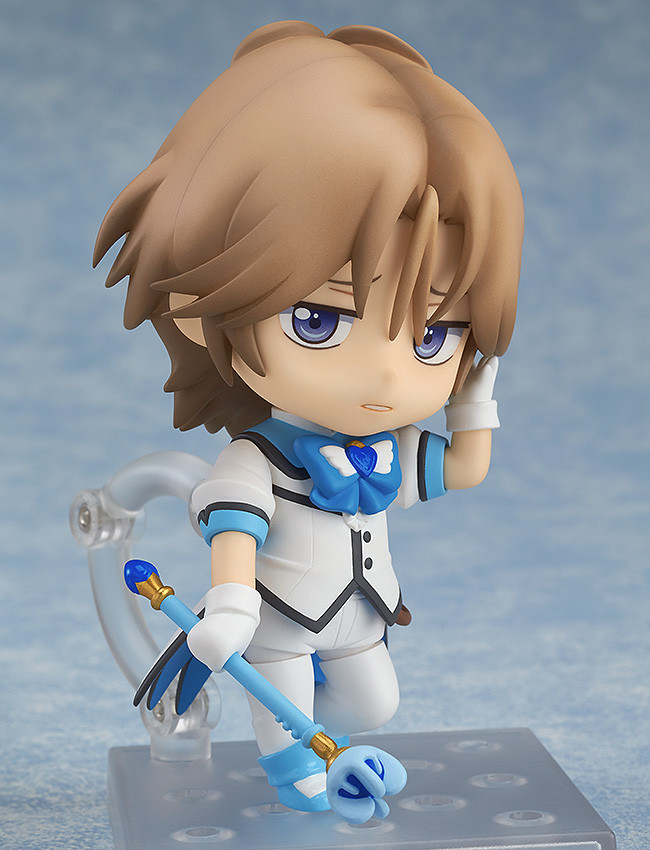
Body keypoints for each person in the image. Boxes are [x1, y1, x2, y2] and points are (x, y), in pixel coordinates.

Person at [94, 21, 524, 812]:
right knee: (300, 765)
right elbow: (235, 532)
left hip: (360, 615)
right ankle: (298, 769)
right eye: (318, 320)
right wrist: (230, 606)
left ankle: (308, 734)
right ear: (198, 311)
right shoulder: (255, 460)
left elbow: (466, 467)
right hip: (277, 624)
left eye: (434, 333)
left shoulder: (389, 446)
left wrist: (475, 395)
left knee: (375, 705)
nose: (387, 373)